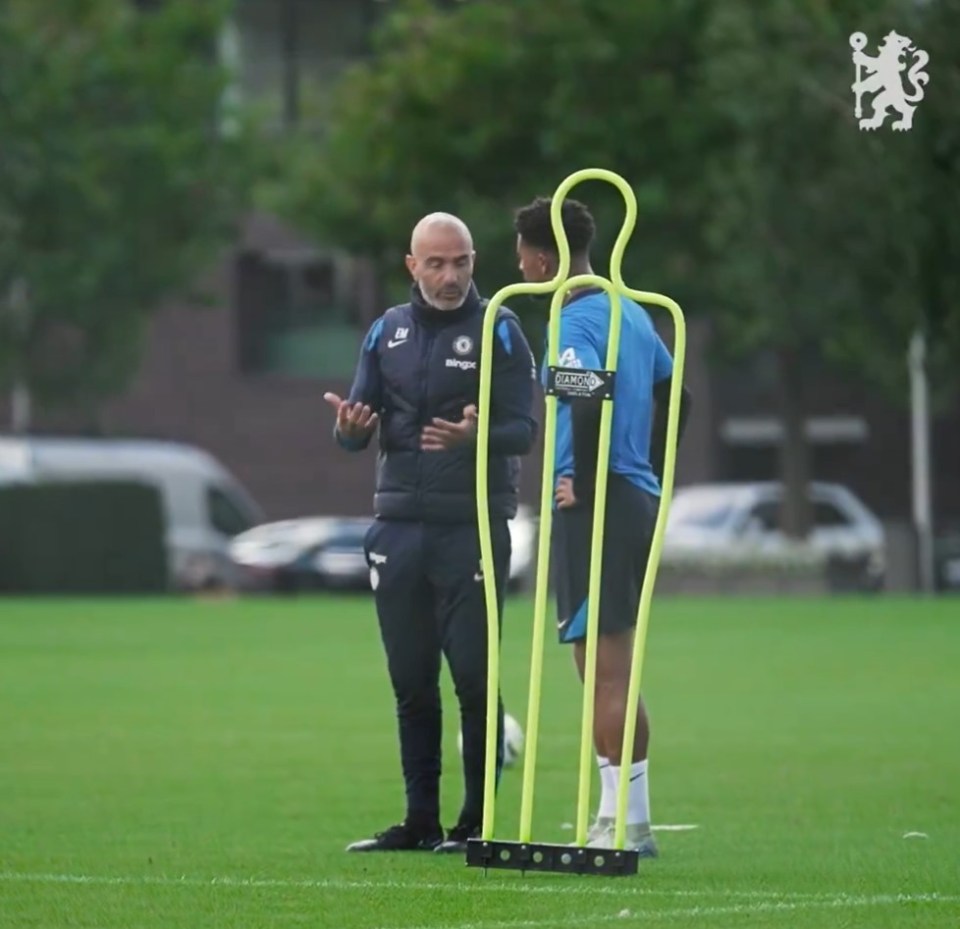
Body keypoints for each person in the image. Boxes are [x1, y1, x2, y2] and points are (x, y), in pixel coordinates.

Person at [325, 212, 538, 854]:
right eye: (437, 264)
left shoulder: (499, 327)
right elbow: (354, 426)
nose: (451, 277)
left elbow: (523, 429)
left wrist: (477, 438)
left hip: (470, 527)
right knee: (411, 681)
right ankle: (420, 822)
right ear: (411, 266)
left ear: (474, 262)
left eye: (462, 262)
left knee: (474, 679)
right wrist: (350, 431)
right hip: (398, 529)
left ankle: (475, 823)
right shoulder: (384, 332)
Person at [512, 196, 691, 856]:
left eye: (522, 257)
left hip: (598, 502)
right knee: (610, 664)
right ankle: (631, 818)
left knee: (604, 669)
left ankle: (614, 820)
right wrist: (647, 465)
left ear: (540, 258)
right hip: (632, 493)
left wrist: (583, 480)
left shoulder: (577, 317)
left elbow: (586, 393)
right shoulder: (635, 313)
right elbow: (680, 394)